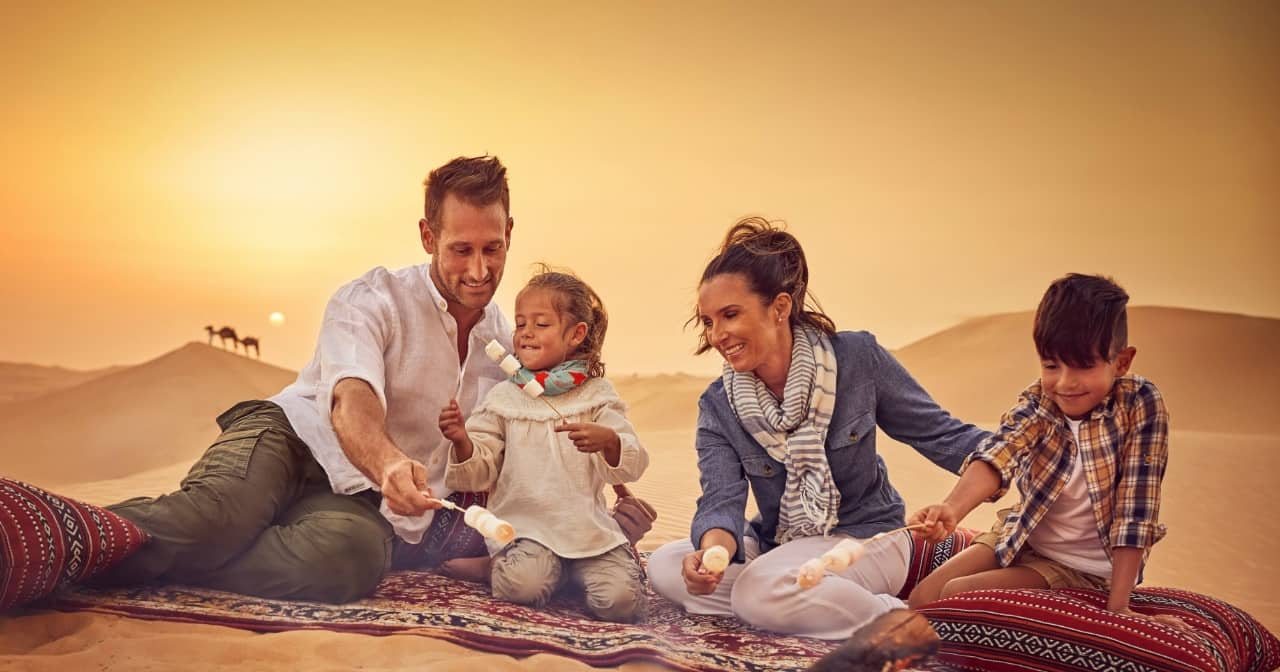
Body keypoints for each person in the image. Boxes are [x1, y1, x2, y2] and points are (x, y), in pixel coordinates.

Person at [97, 155, 653, 604]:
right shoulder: (372, 298)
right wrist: (389, 463)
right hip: (291, 439)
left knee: (348, 562)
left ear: (509, 233)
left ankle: (190, 564)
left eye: (493, 248)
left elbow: (521, 449)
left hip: (362, 501)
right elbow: (350, 398)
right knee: (213, 518)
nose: (480, 271)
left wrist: (596, 512)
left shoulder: (509, 349)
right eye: (461, 249)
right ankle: (43, 538)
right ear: (427, 235)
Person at [646, 218, 988, 639]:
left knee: (757, 592)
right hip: (779, 543)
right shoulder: (719, 404)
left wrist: (1024, 456)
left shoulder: (858, 359)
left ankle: (894, 620)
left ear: (780, 307)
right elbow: (721, 502)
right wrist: (713, 553)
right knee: (665, 566)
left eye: (730, 315)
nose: (718, 335)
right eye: (709, 322)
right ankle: (797, 601)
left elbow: (946, 436)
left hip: (867, 538)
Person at [906, 274, 1183, 628]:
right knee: (923, 598)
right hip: (1021, 536)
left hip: (1083, 567)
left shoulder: (1140, 405)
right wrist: (951, 508)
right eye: (1052, 366)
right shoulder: (1039, 401)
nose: (1065, 382)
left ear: (1122, 362)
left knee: (960, 593)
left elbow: (1136, 510)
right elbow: (999, 454)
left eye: (1084, 365)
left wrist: (1119, 608)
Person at [438, 268, 650, 622]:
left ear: (576, 334)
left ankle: (572, 572)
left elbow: (633, 461)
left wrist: (610, 442)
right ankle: (498, 566)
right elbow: (479, 470)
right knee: (523, 587)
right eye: (520, 324)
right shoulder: (503, 398)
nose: (525, 334)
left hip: (587, 532)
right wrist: (462, 440)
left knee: (621, 604)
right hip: (528, 530)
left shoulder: (597, 394)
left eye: (541, 324)